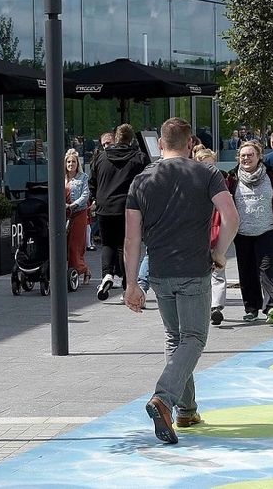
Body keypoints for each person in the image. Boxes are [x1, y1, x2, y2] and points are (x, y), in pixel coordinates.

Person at [124, 118, 239, 445]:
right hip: (194, 268)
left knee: (175, 337)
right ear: (190, 144)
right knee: (194, 338)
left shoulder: (141, 180)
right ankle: (164, 397)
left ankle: (185, 411)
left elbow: (132, 240)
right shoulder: (207, 173)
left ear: (160, 145)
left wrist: (133, 283)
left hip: (159, 271)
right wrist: (219, 251)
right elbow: (231, 218)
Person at [230, 140, 273, 324]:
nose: (246, 158)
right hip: (242, 233)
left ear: (259, 156)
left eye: (250, 155)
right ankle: (251, 308)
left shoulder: (272, 175)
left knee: (266, 268)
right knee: (246, 270)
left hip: (268, 230)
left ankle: (272, 307)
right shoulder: (232, 177)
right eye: (243, 155)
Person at [92, 124, 147, 300]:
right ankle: (126, 285)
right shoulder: (138, 158)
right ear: (131, 140)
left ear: (116, 138)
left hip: (104, 207)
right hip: (127, 208)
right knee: (126, 245)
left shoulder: (101, 157)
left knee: (108, 244)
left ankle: (107, 274)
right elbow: (146, 183)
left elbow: (93, 181)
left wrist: (96, 198)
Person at [193, 146, 228, 325]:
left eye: (211, 166)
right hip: (197, 236)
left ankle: (216, 307)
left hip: (216, 233)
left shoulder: (220, 182)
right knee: (199, 273)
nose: (209, 170)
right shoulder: (190, 183)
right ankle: (203, 306)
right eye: (204, 165)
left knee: (218, 271)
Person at [64, 148, 91, 282]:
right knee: (65, 244)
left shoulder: (83, 177)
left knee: (75, 245)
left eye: (73, 162)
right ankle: (78, 268)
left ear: (77, 163)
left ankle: (82, 269)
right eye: (68, 162)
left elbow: (85, 195)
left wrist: (74, 204)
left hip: (78, 213)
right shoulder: (61, 177)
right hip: (64, 214)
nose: (71, 164)